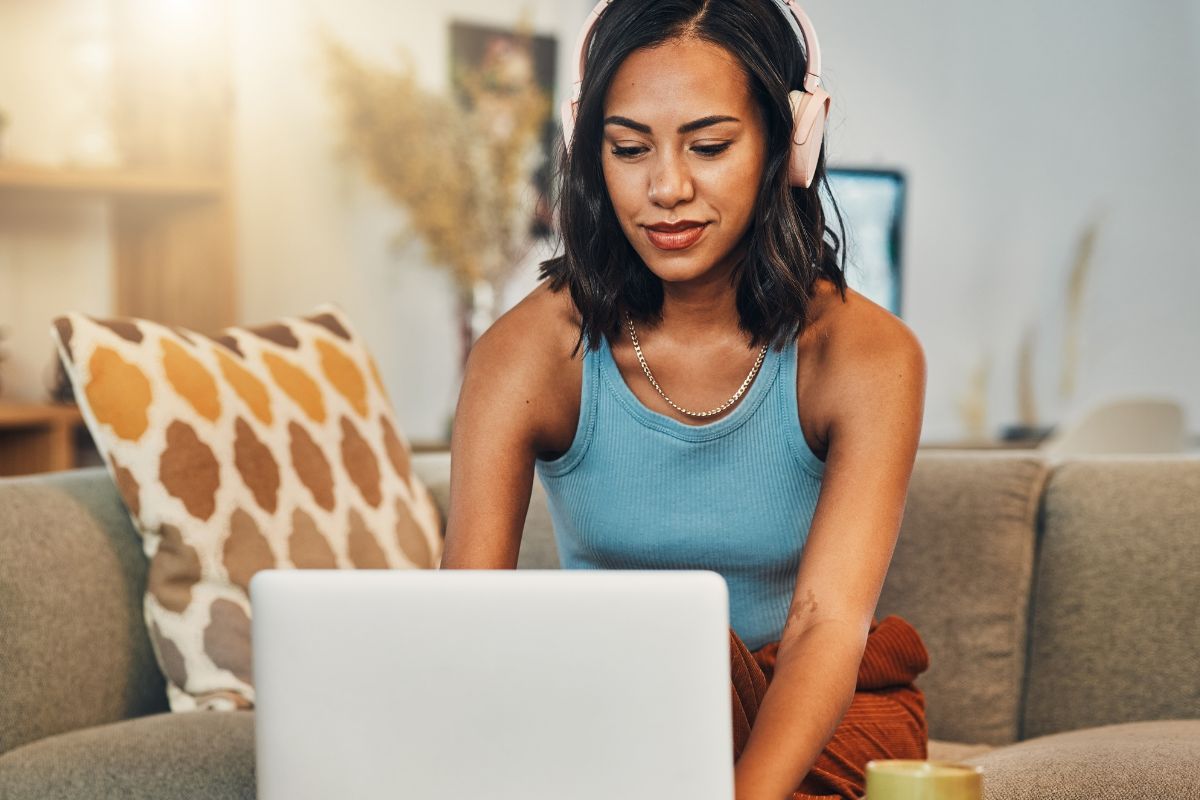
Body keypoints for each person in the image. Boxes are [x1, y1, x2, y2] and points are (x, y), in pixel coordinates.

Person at [441, 1, 930, 798]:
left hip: (813, 717)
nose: (666, 188)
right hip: (612, 708)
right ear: (586, 148)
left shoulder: (866, 356)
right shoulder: (526, 352)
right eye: (629, 148)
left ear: (788, 143)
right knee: (612, 696)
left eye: (709, 145)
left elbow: (825, 625)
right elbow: (466, 625)